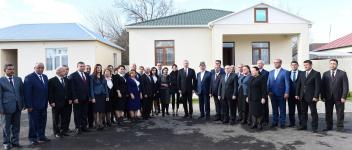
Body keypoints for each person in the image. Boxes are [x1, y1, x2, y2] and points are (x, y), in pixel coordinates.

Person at [24, 62, 51, 145]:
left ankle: (41, 136)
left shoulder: (45, 77)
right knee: (33, 123)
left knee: (42, 122)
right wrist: (29, 105)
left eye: (42, 68)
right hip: (33, 106)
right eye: (38, 67)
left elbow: (46, 91)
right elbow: (27, 93)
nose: (40, 69)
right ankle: (32, 138)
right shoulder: (29, 77)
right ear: (34, 68)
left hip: (43, 104)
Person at [0, 64, 24, 149]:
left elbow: (22, 93)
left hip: (18, 107)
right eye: (9, 69)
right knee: (6, 127)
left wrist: (23, 104)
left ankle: (15, 141)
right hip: (6, 108)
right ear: (5, 70)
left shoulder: (18, 79)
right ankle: (6, 143)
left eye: (13, 69)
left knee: (16, 126)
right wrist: (1, 108)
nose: (12, 71)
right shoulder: (1, 80)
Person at [321, 59, 349, 132]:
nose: (332, 65)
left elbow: (345, 86)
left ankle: (340, 127)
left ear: (337, 65)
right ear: (329, 64)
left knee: (340, 113)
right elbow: (322, 86)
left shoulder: (342, 73)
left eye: (334, 63)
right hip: (328, 97)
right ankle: (329, 126)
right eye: (331, 63)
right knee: (328, 113)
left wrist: (344, 97)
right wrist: (322, 96)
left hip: (339, 98)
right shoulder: (325, 74)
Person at [295, 60, 321, 133]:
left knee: (313, 112)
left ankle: (314, 128)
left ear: (311, 65)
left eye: (306, 65)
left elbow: (317, 86)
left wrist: (316, 96)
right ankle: (303, 126)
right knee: (303, 112)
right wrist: (297, 94)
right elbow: (298, 85)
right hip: (302, 96)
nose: (305, 66)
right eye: (304, 65)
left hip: (312, 97)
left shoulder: (316, 73)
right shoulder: (302, 73)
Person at [69, 62, 91, 134]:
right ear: (77, 67)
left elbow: (88, 87)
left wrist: (89, 96)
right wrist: (74, 98)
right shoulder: (73, 75)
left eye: (83, 66)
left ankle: (84, 126)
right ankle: (78, 127)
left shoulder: (87, 75)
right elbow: (72, 88)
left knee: (84, 113)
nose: (82, 67)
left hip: (86, 98)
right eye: (81, 66)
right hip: (77, 98)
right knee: (77, 113)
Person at [48, 67, 70, 138]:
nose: (65, 72)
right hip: (56, 103)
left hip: (65, 102)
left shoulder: (66, 79)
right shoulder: (52, 80)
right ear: (58, 72)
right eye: (63, 71)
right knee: (56, 118)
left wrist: (69, 99)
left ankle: (62, 131)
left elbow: (68, 90)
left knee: (64, 117)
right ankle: (56, 132)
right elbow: (50, 92)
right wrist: (51, 102)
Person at [267, 59, 290, 129]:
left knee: (282, 109)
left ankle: (282, 123)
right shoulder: (270, 72)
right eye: (274, 63)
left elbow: (287, 83)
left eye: (277, 62)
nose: (275, 64)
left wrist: (286, 92)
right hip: (272, 94)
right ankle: (275, 122)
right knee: (274, 109)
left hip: (282, 94)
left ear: (280, 63)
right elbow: (268, 83)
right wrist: (268, 92)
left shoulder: (285, 72)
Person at [90, 64, 109, 130]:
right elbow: (91, 88)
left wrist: (107, 95)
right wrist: (92, 97)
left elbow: (105, 86)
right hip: (96, 95)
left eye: (100, 68)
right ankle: (96, 124)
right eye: (97, 68)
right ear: (95, 68)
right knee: (95, 110)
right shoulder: (92, 76)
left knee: (101, 110)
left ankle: (101, 123)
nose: (99, 69)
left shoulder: (103, 76)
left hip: (102, 95)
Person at [287, 61, 303, 127]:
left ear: (298, 65)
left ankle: (301, 123)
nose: (294, 66)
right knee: (291, 110)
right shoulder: (287, 73)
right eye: (292, 65)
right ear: (290, 66)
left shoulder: (302, 73)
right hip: (290, 95)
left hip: (299, 95)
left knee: (300, 110)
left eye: (295, 65)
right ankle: (292, 123)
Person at [257, 60, 269, 126]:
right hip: (257, 93)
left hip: (264, 92)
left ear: (263, 65)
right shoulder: (255, 72)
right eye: (258, 63)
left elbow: (268, 83)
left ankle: (266, 120)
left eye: (260, 63)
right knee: (259, 107)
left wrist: (266, 93)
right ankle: (259, 120)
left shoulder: (266, 73)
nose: (259, 64)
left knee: (265, 107)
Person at [61, 65, 73, 135]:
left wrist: (71, 98)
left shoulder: (68, 79)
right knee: (62, 116)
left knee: (68, 115)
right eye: (65, 69)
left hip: (68, 101)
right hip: (61, 101)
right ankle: (61, 129)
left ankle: (66, 128)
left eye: (68, 69)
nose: (67, 71)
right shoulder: (57, 79)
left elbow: (70, 90)